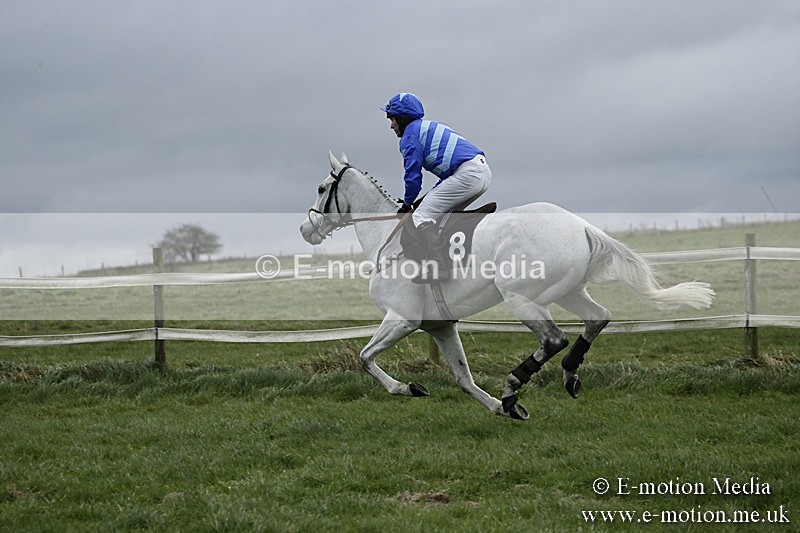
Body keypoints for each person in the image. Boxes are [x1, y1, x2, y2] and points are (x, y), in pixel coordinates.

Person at [381, 92, 492, 283]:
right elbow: (447, 179)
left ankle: (439, 268)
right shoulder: (427, 127)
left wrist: (408, 204)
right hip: (480, 172)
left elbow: (413, 176)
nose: (391, 125)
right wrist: (423, 198)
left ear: (402, 118)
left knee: (420, 217)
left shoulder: (409, 136)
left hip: (467, 174)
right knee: (440, 218)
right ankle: (451, 259)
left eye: (392, 119)